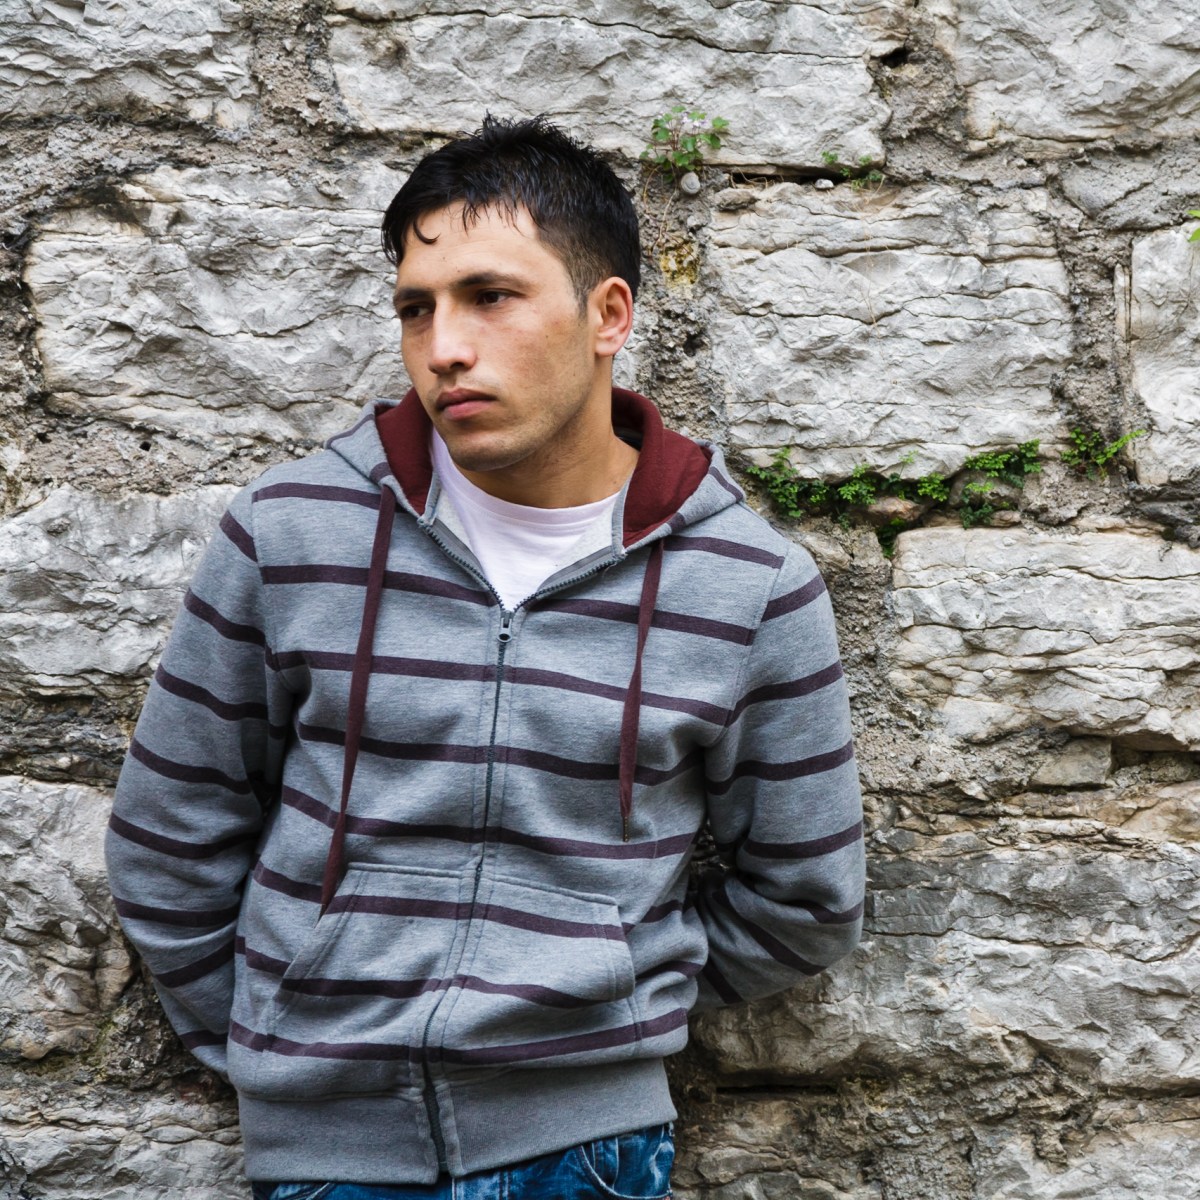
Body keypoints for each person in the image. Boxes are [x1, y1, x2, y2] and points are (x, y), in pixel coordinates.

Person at [105, 115, 866, 1200]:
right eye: (417, 309)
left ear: (609, 316)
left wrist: (609, 997)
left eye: (490, 296)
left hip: (588, 1156)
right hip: (326, 1162)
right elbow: (167, 834)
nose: (444, 348)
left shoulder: (748, 585)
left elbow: (807, 897)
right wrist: (279, 1050)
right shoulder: (291, 532)